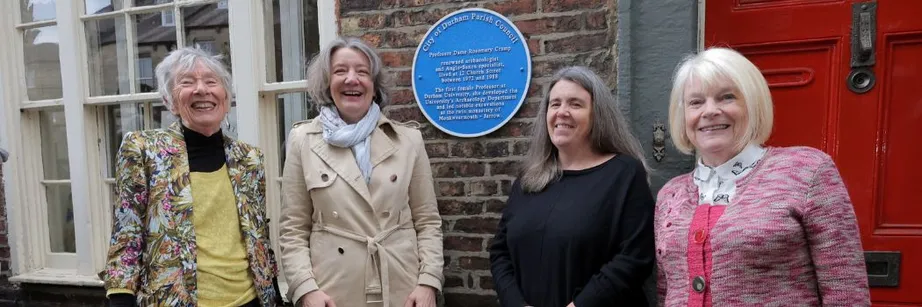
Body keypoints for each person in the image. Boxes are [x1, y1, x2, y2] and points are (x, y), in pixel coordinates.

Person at [655, 47, 870, 306]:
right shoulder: (671, 194)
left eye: (726, 97)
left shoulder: (807, 170)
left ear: (753, 105)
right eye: (696, 102)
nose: (709, 111)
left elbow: (846, 288)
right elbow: (666, 289)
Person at [100, 47, 280, 306]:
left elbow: (259, 237)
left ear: (226, 97)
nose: (201, 90)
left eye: (211, 82)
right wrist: (120, 299)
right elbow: (126, 238)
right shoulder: (143, 150)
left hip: (250, 299)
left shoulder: (249, 158)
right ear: (169, 99)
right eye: (187, 82)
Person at [279, 37, 444, 307]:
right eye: (340, 71)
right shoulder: (303, 141)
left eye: (362, 72)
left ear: (374, 86)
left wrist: (428, 282)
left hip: (402, 288)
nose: (352, 79)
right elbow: (293, 229)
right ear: (327, 83)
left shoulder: (408, 140)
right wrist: (306, 289)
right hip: (332, 291)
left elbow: (427, 221)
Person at [489, 66, 656, 307]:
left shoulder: (624, 174)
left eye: (575, 104)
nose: (562, 112)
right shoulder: (530, 177)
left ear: (597, 114)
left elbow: (634, 257)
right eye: (555, 104)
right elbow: (500, 253)